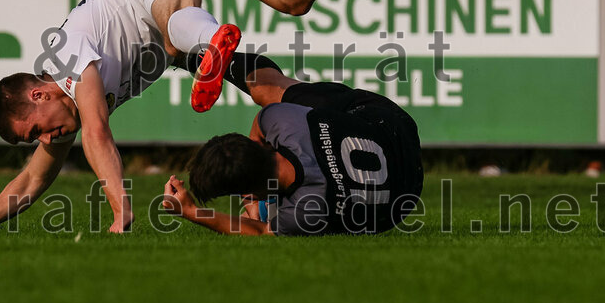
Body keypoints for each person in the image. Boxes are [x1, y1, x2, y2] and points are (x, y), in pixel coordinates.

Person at [0, 0, 382, 233]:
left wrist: (120, 207)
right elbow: (31, 180)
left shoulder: (64, 54)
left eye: (37, 129)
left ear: (38, 93)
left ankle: (210, 41)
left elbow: (98, 133)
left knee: (173, 34)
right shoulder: (64, 105)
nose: (47, 138)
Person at [161, 75, 423, 236]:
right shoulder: (282, 121)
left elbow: (262, 232)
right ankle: (201, 52)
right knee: (266, 90)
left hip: (403, 199)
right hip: (394, 126)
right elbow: (260, 126)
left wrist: (190, 211)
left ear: (250, 191)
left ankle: (191, 57)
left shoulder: (305, 209)